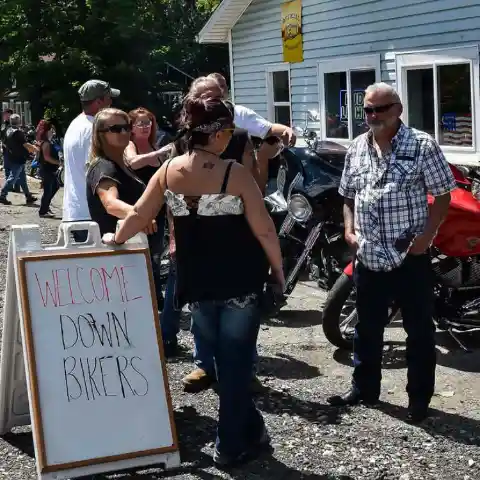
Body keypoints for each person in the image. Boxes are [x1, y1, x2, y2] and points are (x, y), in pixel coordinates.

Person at [103, 95, 284, 466]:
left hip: (197, 283)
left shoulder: (168, 170)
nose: (229, 137)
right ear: (216, 134)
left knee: (220, 360)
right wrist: (279, 273)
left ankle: (250, 428)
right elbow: (265, 230)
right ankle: (230, 445)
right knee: (235, 365)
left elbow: (138, 214)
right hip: (239, 282)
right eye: (228, 131)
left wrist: (116, 239)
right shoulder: (234, 173)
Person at [327, 83, 456, 423]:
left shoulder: (421, 145)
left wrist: (427, 236)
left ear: (398, 109)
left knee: (419, 332)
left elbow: (443, 194)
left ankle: (418, 400)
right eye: (367, 110)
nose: (372, 116)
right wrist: (349, 230)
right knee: (367, 329)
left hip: (409, 255)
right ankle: (364, 389)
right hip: (369, 254)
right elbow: (349, 195)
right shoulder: (357, 147)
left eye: (379, 109)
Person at [62, 79, 120, 242]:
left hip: (77, 211)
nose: (111, 103)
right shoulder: (93, 129)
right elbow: (100, 171)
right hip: (91, 215)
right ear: (99, 101)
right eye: (109, 98)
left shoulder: (76, 124)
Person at [207, 72, 296, 147]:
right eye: (215, 88)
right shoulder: (198, 115)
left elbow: (268, 129)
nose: (220, 91)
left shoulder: (239, 113)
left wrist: (287, 129)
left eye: (223, 86)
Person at [0, 114, 37, 205]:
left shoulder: (8, 130)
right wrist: (35, 149)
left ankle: (28, 196)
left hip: (12, 157)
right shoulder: (18, 132)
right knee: (13, 178)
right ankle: (2, 195)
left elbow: (4, 143)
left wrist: (11, 150)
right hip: (19, 158)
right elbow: (25, 144)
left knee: (22, 178)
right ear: (19, 121)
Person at [36, 120, 61, 217]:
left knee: (55, 186)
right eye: (52, 130)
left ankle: (46, 207)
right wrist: (60, 163)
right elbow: (47, 157)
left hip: (48, 169)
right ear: (47, 131)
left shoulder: (46, 141)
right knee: (48, 190)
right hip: (46, 169)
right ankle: (43, 211)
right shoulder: (46, 143)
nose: (53, 132)